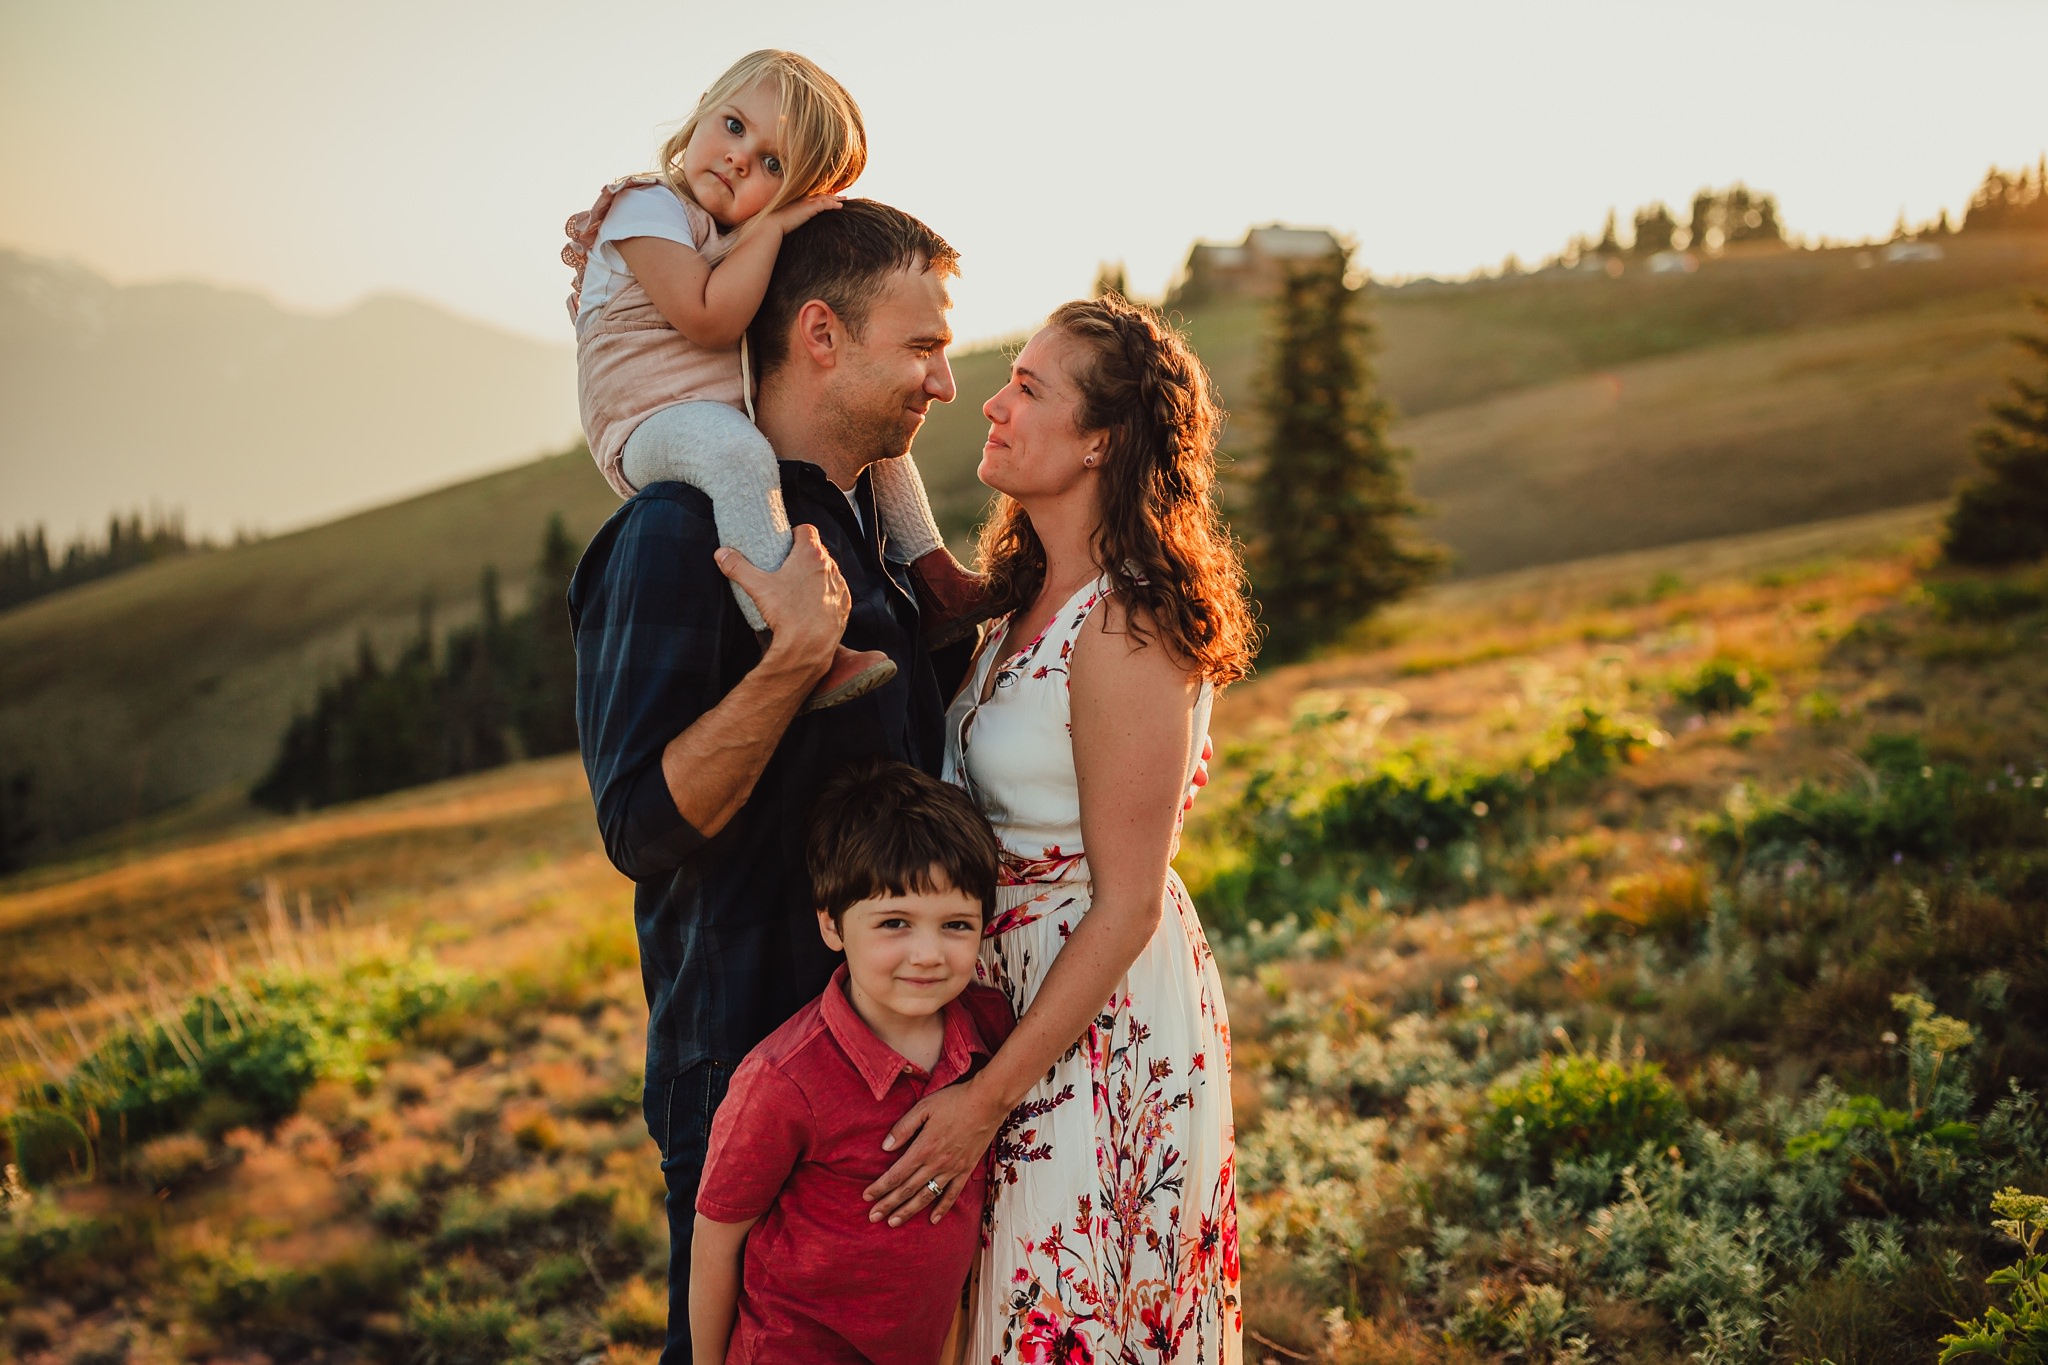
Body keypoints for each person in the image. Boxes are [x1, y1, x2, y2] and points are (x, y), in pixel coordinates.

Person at [569, 198, 969, 1364]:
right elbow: (638, 825)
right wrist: (792, 660)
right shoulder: (673, 535)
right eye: (923, 347)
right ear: (819, 336)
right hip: (749, 1062)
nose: (942, 383)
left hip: (893, 1060)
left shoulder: (869, 541)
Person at [859, 295, 1257, 1362]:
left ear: (1101, 440)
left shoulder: (1125, 623)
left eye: (1028, 389)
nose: (989, 404)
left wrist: (984, 1101)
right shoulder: (1025, 603)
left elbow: (1126, 903)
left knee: (1071, 1316)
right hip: (1010, 995)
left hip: (1099, 1009)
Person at [563, 49, 987, 712]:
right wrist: (780, 225)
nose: (740, 158)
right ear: (703, 110)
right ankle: (795, 642)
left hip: (719, 406)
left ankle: (935, 578)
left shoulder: (739, 237)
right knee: (738, 453)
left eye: (772, 165)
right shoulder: (646, 209)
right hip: (647, 421)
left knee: (875, 434)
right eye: (734, 127)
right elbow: (706, 318)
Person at [690, 760, 1015, 1365]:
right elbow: (716, 1235)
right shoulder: (783, 1078)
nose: (927, 954)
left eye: (955, 925)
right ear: (832, 925)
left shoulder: (991, 1031)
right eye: (894, 923)